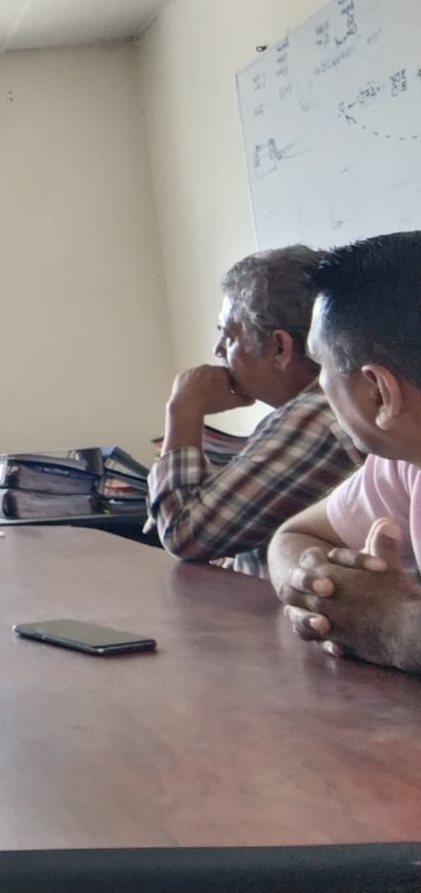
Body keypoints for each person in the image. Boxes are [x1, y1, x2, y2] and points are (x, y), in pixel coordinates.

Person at [147, 245, 363, 576]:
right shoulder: (332, 405)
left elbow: (184, 533)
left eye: (228, 335)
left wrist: (183, 410)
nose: (218, 350)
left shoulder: (315, 417)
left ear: (279, 347)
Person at [270, 231, 421, 672]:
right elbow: (294, 537)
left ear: (378, 391)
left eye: (321, 365)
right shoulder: (406, 461)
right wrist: (321, 588)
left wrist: (393, 626)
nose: (319, 385)